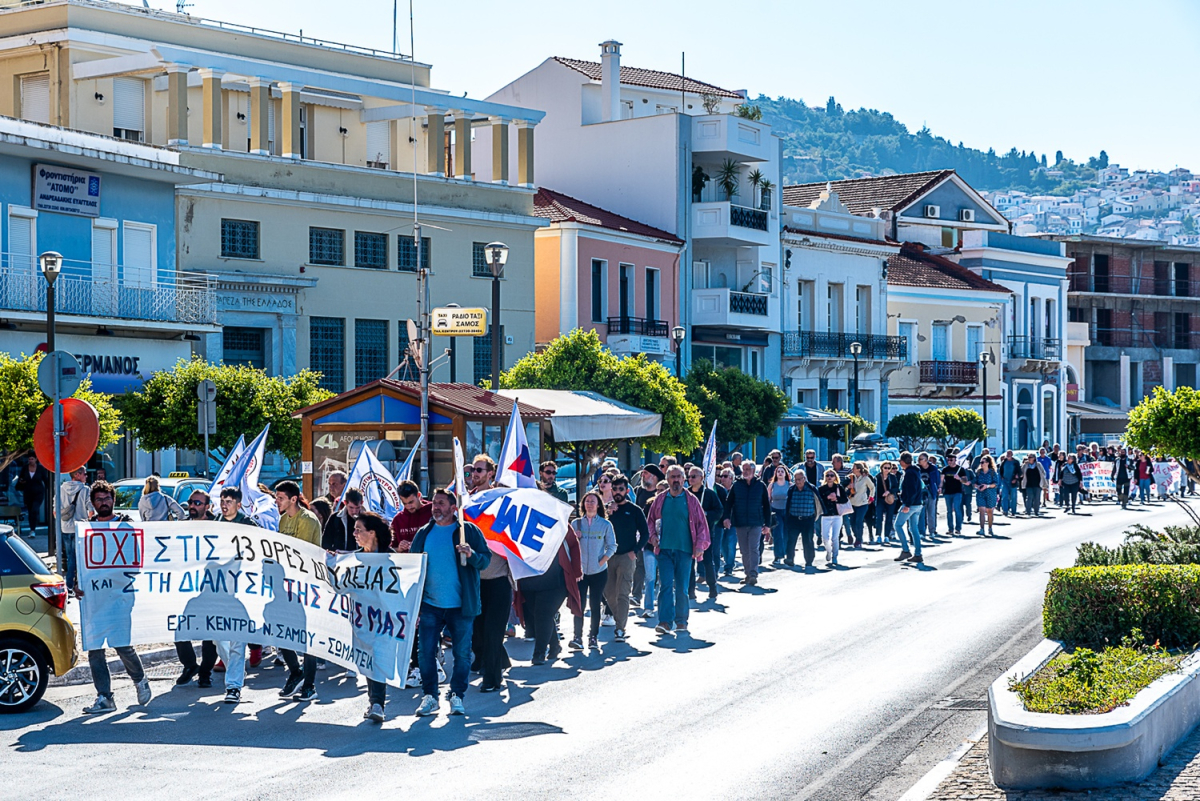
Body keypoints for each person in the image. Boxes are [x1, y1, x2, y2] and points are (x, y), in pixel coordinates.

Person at [410, 489, 491, 717]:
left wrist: (471, 554)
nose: (436, 507)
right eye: (434, 503)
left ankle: (457, 695)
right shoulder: (424, 534)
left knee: (462, 654)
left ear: (453, 508)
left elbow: (485, 560)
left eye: (442, 503)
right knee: (425, 653)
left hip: (461, 606)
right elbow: (412, 568)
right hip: (430, 606)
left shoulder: (468, 532)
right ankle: (430, 696)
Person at [79, 481, 153, 714]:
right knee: (95, 647)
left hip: (120, 596)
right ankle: (105, 697)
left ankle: (140, 680)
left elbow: (137, 559)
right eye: (99, 499)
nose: (103, 503)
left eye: (107, 498)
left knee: (121, 643)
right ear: (93, 503)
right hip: (93, 596)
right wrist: (76, 583)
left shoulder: (126, 526)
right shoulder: (87, 529)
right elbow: (77, 560)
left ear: (113, 500)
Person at [645, 466, 710, 634]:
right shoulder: (660, 499)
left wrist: (700, 546)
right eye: (673, 477)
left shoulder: (692, 500)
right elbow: (650, 522)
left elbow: (702, 525)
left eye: (679, 477)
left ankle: (681, 621)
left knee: (681, 587)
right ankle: (665, 622)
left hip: (685, 550)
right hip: (664, 550)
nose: (676, 480)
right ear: (667, 480)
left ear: (684, 480)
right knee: (665, 586)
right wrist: (652, 537)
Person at [273, 481, 323, 701]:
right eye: (276, 497)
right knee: (280, 630)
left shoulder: (308, 519)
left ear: (293, 499)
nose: (277, 501)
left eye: (281, 497)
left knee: (307, 637)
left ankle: (309, 685)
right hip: (286, 585)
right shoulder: (283, 519)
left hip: (307, 585)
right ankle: (296, 673)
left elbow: (298, 554)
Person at [212, 486, 260, 703]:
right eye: (223, 500)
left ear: (238, 504)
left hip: (242, 592)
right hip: (218, 591)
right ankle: (237, 672)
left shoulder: (249, 526)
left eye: (229, 501)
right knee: (218, 638)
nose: (225, 505)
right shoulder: (215, 525)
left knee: (237, 640)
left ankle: (233, 686)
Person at [351, 512, 396, 721]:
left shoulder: (391, 559)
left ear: (373, 533)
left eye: (359, 530)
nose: (355, 534)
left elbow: (400, 593)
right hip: (361, 620)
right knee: (366, 660)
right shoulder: (353, 559)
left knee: (377, 658)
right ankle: (374, 701)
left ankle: (377, 703)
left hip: (384, 620)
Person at [174, 489, 219, 690]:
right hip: (187, 587)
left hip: (211, 587)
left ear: (207, 506)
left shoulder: (218, 526)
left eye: (198, 503)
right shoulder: (182, 527)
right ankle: (190, 665)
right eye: (191, 502)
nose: (193, 506)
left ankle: (205, 673)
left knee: (210, 632)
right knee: (180, 628)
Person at [519, 520, 581, 665]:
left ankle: (539, 653)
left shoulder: (557, 519)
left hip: (555, 579)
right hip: (529, 578)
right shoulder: (523, 519)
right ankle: (555, 645)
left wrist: (576, 570)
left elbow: (573, 543)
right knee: (537, 613)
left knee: (544, 613)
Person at [569, 491, 616, 651]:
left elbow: (612, 546)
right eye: (587, 501)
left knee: (594, 605)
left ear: (598, 505)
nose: (589, 504)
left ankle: (593, 637)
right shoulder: (576, 524)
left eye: (593, 501)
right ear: (583, 504)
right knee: (579, 604)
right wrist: (574, 537)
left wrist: (601, 561)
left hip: (598, 572)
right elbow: (567, 546)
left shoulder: (605, 524)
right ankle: (577, 637)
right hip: (580, 573)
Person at [606, 475, 649, 642]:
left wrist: (635, 551)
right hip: (608, 556)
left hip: (627, 556)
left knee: (623, 593)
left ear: (627, 491)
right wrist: (608, 512)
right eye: (615, 489)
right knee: (609, 593)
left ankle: (620, 628)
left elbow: (645, 533)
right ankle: (619, 619)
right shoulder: (608, 509)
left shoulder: (635, 510)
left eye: (621, 489)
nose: (617, 492)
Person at [721, 460, 771, 587]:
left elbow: (766, 506)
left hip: (756, 522)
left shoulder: (760, 485)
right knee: (744, 550)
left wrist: (768, 525)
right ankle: (748, 573)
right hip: (740, 522)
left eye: (748, 469)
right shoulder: (737, 485)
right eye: (744, 469)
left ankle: (753, 573)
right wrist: (726, 518)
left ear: (754, 471)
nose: (746, 472)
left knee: (753, 548)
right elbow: (729, 503)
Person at [687, 466, 724, 601]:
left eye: (693, 476)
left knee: (708, 561)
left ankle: (712, 587)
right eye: (689, 476)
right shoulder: (686, 494)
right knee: (689, 562)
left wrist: (706, 515)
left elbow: (719, 510)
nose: (690, 479)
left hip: (705, 533)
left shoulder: (709, 494)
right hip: (689, 533)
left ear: (702, 478)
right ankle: (691, 590)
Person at [58, 466, 91, 594]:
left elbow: (56, 512)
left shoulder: (61, 489)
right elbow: (91, 511)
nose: (86, 476)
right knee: (78, 557)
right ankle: (71, 584)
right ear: (77, 475)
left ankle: (70, 584)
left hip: (65, 527)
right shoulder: (85, 489)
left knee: (69, 556)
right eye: (85, 474)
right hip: (80, 528)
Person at [783, 469, 820, 572]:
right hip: (794, 519)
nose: (798, 481)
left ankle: (809, 561)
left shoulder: (811, 489)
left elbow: (818, 503)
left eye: (800, 479)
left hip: (808, 519)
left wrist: (816, 517)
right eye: (796, 479)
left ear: (804, 479)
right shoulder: (791, 489)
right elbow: (788, 504)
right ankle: (789, 558)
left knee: (808, 540)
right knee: (791, 540)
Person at [893, 452, 925, 564]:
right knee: (913, 528)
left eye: (900, 461)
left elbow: (912, 490)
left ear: (903, 462)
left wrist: (907, 504)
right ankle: (918, 554)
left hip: (911, 505)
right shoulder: (915, 471)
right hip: (917, 504)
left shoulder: (910, 473)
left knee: (897, 525)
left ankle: (906, 550)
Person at [816, 469, 849, 568]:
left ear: (835, 477)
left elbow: (845, 499)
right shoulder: (821, 489)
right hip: (825, 516)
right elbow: (819, 501)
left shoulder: (839, 487)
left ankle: (835, 556)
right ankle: (829, 551)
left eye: (832, 475)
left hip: (837, 515)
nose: (830, 477)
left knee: (835, 537)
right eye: (828, 475)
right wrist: (827, 497)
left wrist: (836, 498)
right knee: (825, 537)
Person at [321, 487, 363, 552]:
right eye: (351, 507)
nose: (354, 511)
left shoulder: (368, 520)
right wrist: (334, 551)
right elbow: (325, 543)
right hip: (340, 559)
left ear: (362, 503)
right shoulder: (335, 518)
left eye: (357, 508)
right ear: (345, 503)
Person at [713, 468, 737, 576]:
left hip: (734, 521)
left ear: (731, 478)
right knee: (722, 545)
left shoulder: (736, 489)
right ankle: (728, 563)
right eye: (720, 476)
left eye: (725, 476)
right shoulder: (718, 490)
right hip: (721, 522)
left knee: (731, 543)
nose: (722, 478)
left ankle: (729, 566)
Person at [766, 464, 791, 565]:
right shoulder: (772, 485)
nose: (780, 473)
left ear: (785, 474)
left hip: (787, 511)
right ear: (775, 473)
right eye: (778, 471)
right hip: (775, 511)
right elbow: (768, 499)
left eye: (782, 471)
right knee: (777, 533)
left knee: (786, 533)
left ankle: (785, 553)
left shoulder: (790, 485)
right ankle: (778, 556)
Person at [846, 463, 875, 549]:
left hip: (862, 503)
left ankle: (859, 540)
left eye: (854, 467)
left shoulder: (865, 478)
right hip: (852, 503)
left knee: (859, 521)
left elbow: (872, 487)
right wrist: (848, 487)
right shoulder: (851, 478)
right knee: (852, 522)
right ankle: (856, 536)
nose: (852, 469)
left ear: (859, 469)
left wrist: (871, 498)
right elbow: (844, 488)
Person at [15, 456, 48, 532]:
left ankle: (33, 528)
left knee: (34, 509)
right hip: (28, 493)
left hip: (38, 493)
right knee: (30, 511)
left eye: (32, 459)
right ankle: (32, 529)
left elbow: (45, 480)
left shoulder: (40, 469)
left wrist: (49, 490)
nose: (30, 461)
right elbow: (21, 477)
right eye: (29, 459)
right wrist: (21, 482)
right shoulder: (25, 468)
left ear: (36, 460)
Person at [917, 452, 941, 539]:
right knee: (921, 513)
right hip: (921, 493)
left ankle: (932, 531)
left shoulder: (933, 468)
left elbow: (937, 480)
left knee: (931, 512)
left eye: (921, 459)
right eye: (918, 459)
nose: (919, 461)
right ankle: (922, 532)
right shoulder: (917, 468)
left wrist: (938, 488)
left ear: (926, 460)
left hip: (931, 492)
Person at [874, 461, 900, 544]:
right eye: (885, 468)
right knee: (879, 518)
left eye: (889, 468)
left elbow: (897, 488)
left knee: (889, 518)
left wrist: (889, 491)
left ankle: (886, 536)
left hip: (890, 500)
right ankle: (878, 535)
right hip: (880, 500)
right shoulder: (877, 477)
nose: (887, 470)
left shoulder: (892, 477)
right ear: (882, 468)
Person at [973, 456, 998, 537]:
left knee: (989, 512)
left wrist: (987, 486)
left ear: (987, 463)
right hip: (980, 494)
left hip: (990, 494)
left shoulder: (992, 472)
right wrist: (977, 486)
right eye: (981, 462)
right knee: (982, 511)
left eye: (983, 462)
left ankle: (990, 528)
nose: (981, 464)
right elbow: (974, 482)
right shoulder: (978, 472)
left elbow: (995, 484)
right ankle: (982, 529)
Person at [941, 453, 965, 537]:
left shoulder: (960, 469)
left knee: (957, 509)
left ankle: (958, 528)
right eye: (948, 460)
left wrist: (959, 478)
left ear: (955, 460)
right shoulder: (945, 469)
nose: (949, 461)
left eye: (951, 460)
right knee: (949, 511)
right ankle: (950, 529)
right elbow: (942, 479)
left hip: (957, 492)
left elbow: (965, 481)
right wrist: (940, 487)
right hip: (947, 492)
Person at [998, 451, 1020, 517]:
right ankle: (1005, 510)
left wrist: (1016, 478)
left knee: (1013, 497)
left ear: (1012, 455)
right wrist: (1001, 476)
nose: (1008, 455)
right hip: (1005, 481)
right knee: (1005, 496)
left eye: (1010, 454)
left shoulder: (1016, 462)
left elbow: (1019, 471)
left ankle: (1013, 511)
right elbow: (1001, 470)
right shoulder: (1004, 462)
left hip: (1013, 482)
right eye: (1007, 454)